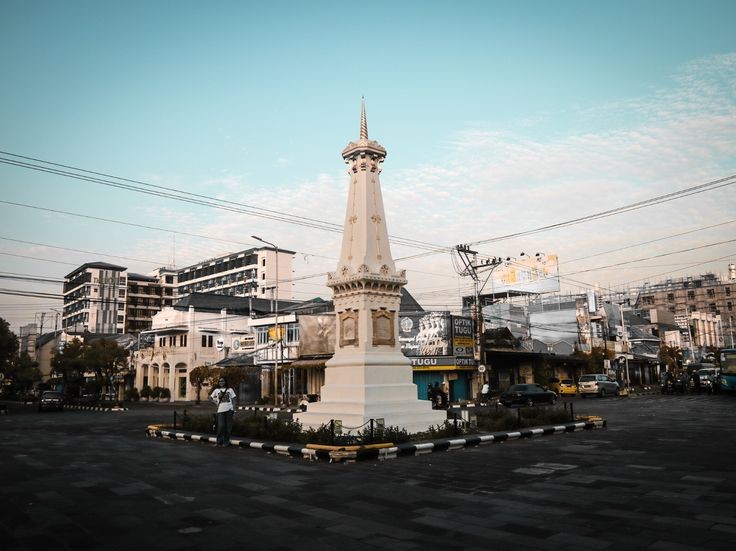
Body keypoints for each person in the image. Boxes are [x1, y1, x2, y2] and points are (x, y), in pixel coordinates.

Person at [210, 376, 237, 446]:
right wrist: (216, 402)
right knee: (221, 426)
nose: (221, 382)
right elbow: (210, 398)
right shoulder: (216, 390)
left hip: (230, 410)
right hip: (220, 410)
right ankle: (218, 441)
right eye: (220, 381)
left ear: (225, 382)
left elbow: (234, 400)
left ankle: (226, 442)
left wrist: (234, 410)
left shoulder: (230, 390)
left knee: (228, 427)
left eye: (222, 381)